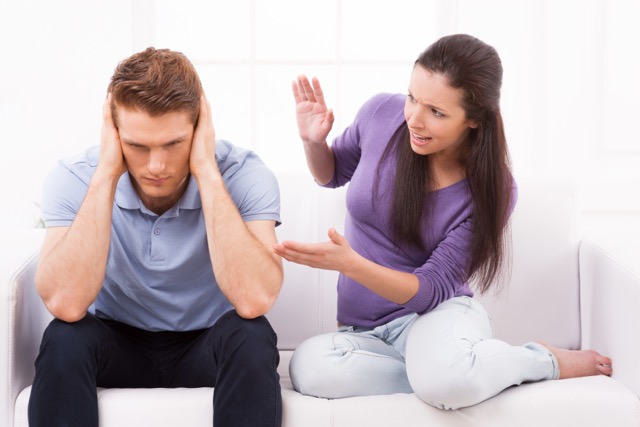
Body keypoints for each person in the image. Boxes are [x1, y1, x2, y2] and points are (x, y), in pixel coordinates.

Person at [274, 33, 613, 410]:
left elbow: (430, 290)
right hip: (364, 334)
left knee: (444, 379)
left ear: (474, 121)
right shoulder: (380, 114)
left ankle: (542, 360)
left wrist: (351, 265)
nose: (414, 120)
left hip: (435, 318)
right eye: (412, 98)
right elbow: (332, 174)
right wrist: (313, 142)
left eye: (436, 112)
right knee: (310, 368)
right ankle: (455, 371)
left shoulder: (493, 189)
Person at [28, 47, 283, 426]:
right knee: (64, 337)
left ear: (200, 129)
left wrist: (206, 170)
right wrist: (106, 175)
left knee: (251, 334)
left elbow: (255, 299)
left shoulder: (244, 174)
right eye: (137, 146)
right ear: (113, 133)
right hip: (116, 342)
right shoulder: (75, 177)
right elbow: (66, 303)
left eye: (173, 144)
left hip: (207, 342)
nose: (157, 166)